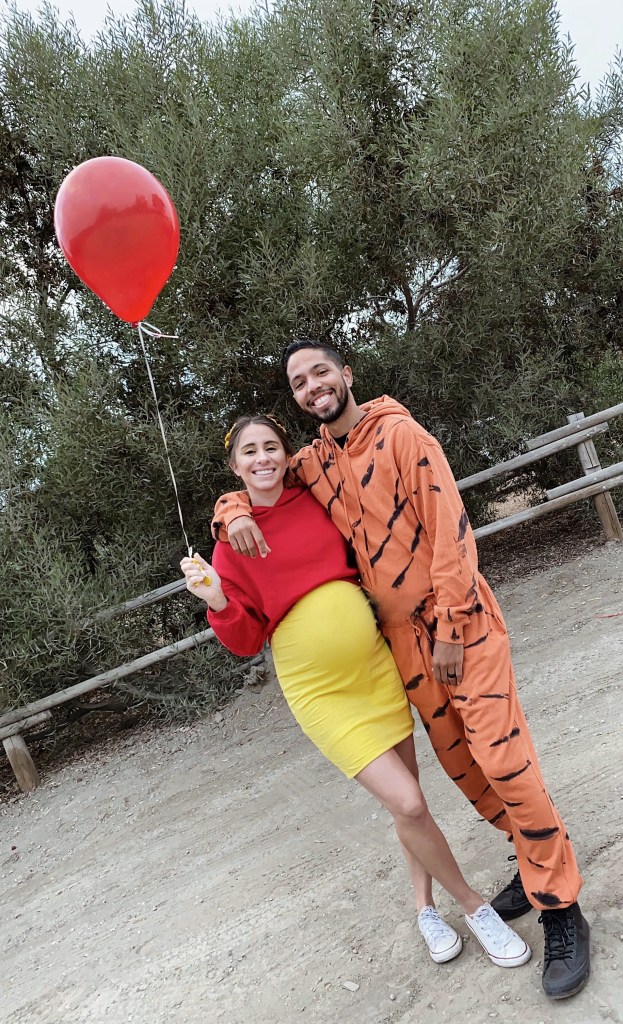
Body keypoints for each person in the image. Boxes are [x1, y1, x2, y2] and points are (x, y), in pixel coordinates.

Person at [211, 344, 592, 1000]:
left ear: (346, 374)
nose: (313, 386)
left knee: (504, 761)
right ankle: (534, 863)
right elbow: (258, 479)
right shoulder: (313, 464)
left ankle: (561, 908)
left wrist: (450, 627)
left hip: (456, 629)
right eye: (299, 382)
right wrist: (230, 509)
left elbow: (452, 534)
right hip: (401, 648)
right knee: (467, 771)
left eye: (321, 372)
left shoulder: (402, 435)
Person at [182, 413, 533, 970]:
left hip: (376, 667)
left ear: (286, 454)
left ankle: (424, 909)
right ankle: (473, 906)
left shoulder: (313, 498)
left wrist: (234, 505)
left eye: (271, 447)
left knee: (408, 803)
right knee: (408, 802)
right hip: (322, 693)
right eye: (249, 452)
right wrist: (217, 599)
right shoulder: (230, 545)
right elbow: (246, 641)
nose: (263, 458)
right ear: (234, 466)